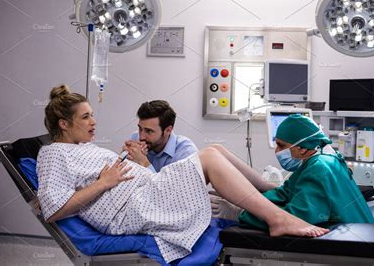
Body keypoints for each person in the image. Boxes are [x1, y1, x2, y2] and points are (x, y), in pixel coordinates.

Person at [37, 85, 328, 264]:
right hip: (133, 210)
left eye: (92, 114)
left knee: (213, 151)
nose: (94, 121)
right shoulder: (52, 154)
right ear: (63, 124)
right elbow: (53, 209)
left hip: (146, 192)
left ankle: (273, 195)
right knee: (211, 157)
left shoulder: (84, 147)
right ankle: (277, 218)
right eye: (86, 116)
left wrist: (135, 166)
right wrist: (104, 183)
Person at [210, 114, 374, 229]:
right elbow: (284, 193)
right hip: (362, 233)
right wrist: (239, 198)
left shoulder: (318, 169)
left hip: (355, 249)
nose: (277, 151)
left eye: (282, 145)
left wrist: (240, 213)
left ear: (302, 148)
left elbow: (294, 218)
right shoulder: (324, 158)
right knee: (215, 150)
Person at [125, 100, 197, 172]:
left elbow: (173, 183)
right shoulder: (135, 137)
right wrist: (124, 159)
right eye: (140, 128)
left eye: (149, 131)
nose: (141, 137)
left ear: (168, 130)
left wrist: (144, 163)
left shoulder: (187, 153)